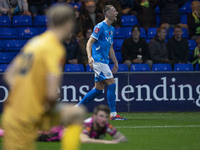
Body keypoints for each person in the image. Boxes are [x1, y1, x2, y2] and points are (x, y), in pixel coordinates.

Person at [1, 4, 84, 150]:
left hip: (17, 111)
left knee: (76, 113)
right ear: (69, 24)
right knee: (76, 113)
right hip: (25, 117)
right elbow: (52, 94)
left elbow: (9, 75)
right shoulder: (54, 49)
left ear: (49, 22)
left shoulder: (35, 42)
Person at [76, 5, 126, 120]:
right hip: (98, 61)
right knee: (112, 84)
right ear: (107, 14)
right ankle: (113, 115)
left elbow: (111, 48)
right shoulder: (100, 27)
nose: (117, 13)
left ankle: (76, 108)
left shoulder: (111, 29)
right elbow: (89, 42)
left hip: (105, 62)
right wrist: (89, 57)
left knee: (98, 90)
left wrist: (116, 62)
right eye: (114, 11)